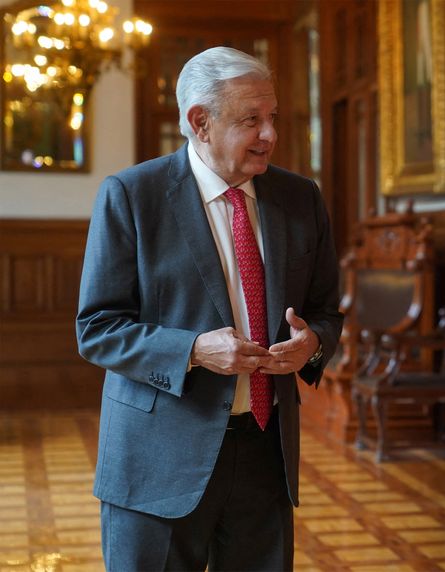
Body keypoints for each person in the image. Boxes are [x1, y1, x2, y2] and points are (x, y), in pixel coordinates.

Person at [76, 46, 343, 571]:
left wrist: (312, 344)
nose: (270, 135)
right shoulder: (132, 195)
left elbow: (326, 311)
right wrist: (194, 350)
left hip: (266, 457)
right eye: (251, 121)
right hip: (158, 461)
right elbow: (97, 328)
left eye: (272, 119)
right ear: (200, 121)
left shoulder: (300, 198)